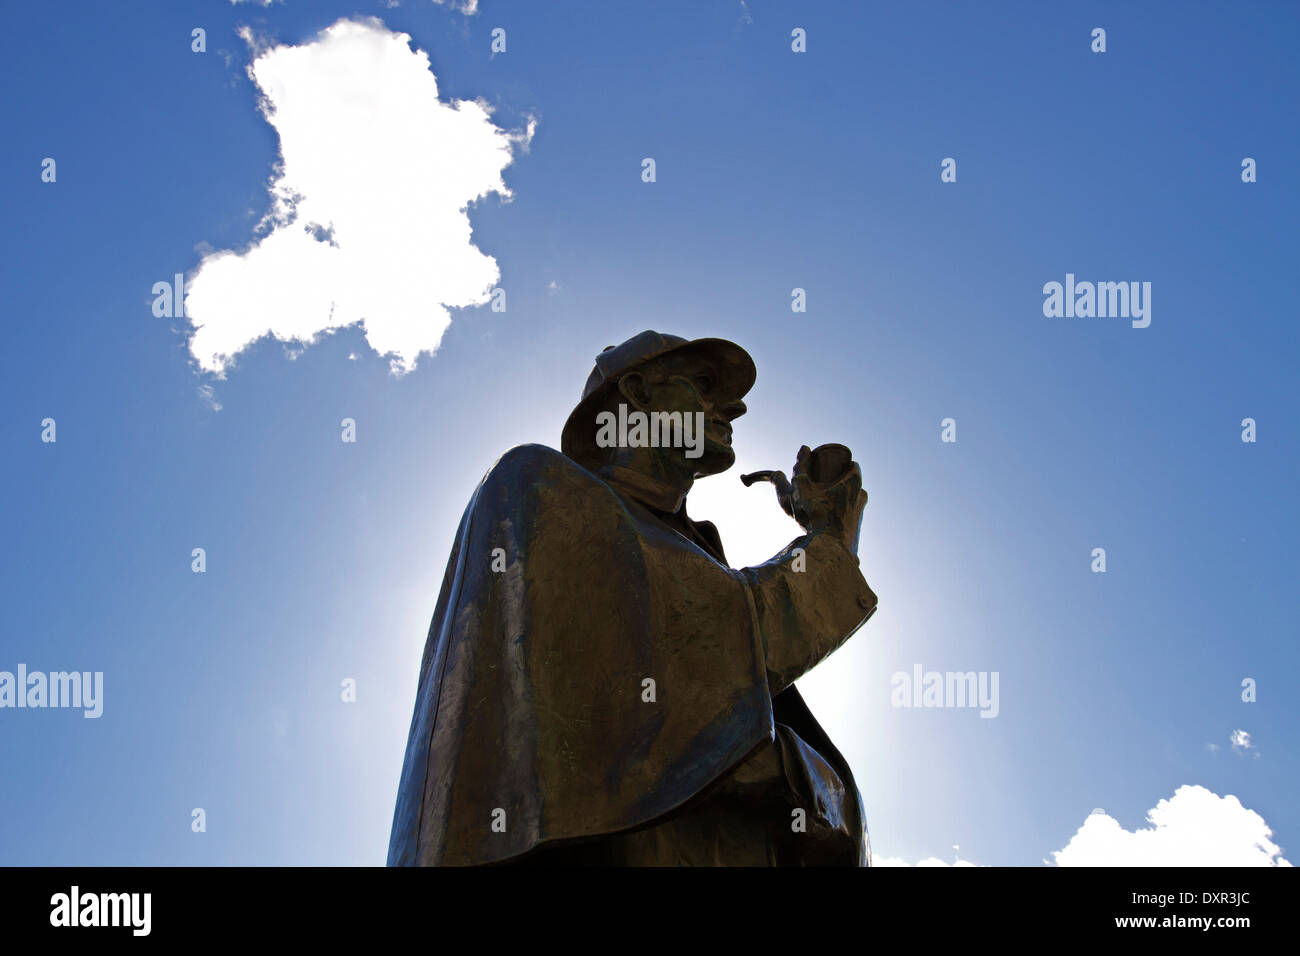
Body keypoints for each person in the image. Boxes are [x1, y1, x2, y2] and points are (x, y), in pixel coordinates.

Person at [388, 331, 878, 866]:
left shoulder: (701, 556)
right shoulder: (540, 487)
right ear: (641, 393)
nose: (735, 406)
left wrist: (802, 778)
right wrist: (829, 543)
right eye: (706, 384)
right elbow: (688, 689)